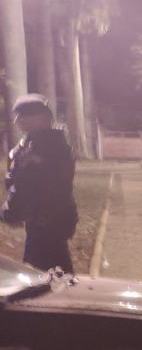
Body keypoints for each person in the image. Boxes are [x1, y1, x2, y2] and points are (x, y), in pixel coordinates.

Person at [2, 94, 78, 273]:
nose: (18, 121)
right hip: (42, 221)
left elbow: (29, 184)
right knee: (51, 271)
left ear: (43, 117)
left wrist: (9, 212)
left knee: (44, 273)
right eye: (18, 116)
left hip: (48, 222)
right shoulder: (30, 144)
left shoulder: (49, 147)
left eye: (24, 116)